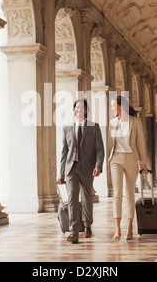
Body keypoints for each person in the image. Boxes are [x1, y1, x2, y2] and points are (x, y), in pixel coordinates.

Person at [58, 99, 105, 244]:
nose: (79, 109)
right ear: (74, 110)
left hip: (88, 168)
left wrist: (98, 166)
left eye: (82, 107)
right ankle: (74, 231)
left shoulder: (94, 127)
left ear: (86, 110)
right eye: (77, 107)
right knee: (72, 198)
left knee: (87, 197)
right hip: (71, 168)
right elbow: (64, 152)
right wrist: (61, 172)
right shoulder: (66, 128)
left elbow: (100, 149)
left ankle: (87, 225)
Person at [108, 95, 148, 241]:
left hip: (131, 158)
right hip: (116, 159)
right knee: (117, 194)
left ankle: (130, 227)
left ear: (121, 106)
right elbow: (110, 144)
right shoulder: (113, 123)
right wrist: (108, 163)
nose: (112, 109)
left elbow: (141, 143)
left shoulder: (135, 122)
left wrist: (143, 162)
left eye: (114, 106)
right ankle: (117, 229)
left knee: (129, 194)